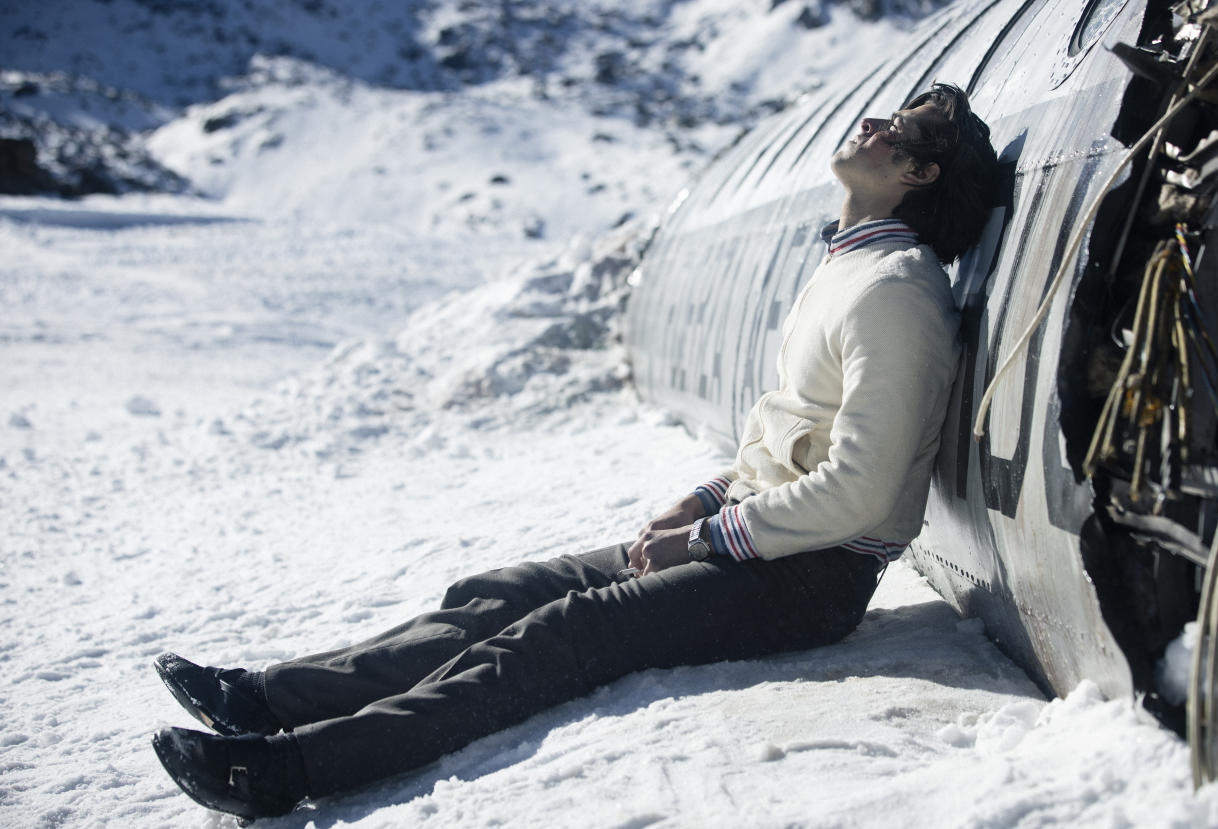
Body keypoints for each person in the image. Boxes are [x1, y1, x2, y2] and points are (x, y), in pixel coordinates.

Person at [151, 82, 999, 820]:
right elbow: (789, 436)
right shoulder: (849, 268)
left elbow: (862, 489)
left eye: (900, 129)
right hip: (762, 540)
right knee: (506, 593)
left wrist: (705, 539)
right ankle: (264, 699)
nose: (874, 125)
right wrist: (704, 501)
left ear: (918, 175)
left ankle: (291, 768)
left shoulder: (898, 293)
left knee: (563, 632)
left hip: (811, 577)